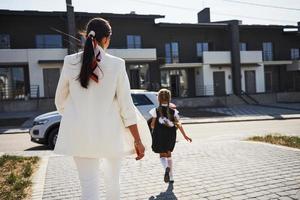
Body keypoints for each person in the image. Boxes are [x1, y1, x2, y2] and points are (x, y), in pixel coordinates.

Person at [54, 18, 147, 200]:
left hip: (80, 136)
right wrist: (137, 140)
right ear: (106, 39)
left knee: (88, 188)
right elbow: (126, 107)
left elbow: (60, 102)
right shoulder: (117, 64)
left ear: (86, 36)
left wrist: (79, 115)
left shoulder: (70, 62)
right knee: (113, 184)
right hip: (111, 136)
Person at [149, 89, 192, 183]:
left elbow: (152, 125)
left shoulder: (155, 111)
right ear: (169, 98)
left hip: (159, 135)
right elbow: (179, 124)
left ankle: (166, 168)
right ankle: (171, 177)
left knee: (161, 155)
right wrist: (185, 136)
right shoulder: (174, 111)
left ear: (159, 99)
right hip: (171, 135)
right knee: (169, 154)